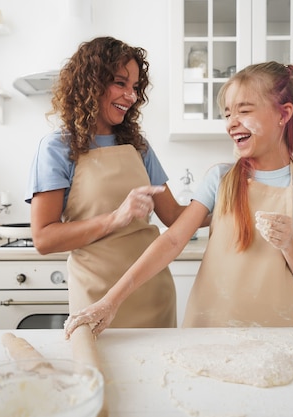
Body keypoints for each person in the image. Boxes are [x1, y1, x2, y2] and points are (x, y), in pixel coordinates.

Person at [65, 61, 293, 337]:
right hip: (209, 329)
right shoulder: (220, 178)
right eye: (228, 114)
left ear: (283, 113)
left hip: (277, 334)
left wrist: (290, 243)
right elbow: (172, 240)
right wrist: (110, 302)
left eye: (244, 111)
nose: (232, 123)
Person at [26, 36, 193, 329]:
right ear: (91, 83)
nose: (130, 95)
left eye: (135, 87)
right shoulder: (58, 147)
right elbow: (44, 238)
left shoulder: (137, 146)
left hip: (153, 294)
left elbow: (175, 216)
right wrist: (116, 218)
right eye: (120, 83)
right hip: (95, 296)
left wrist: (231, 201)